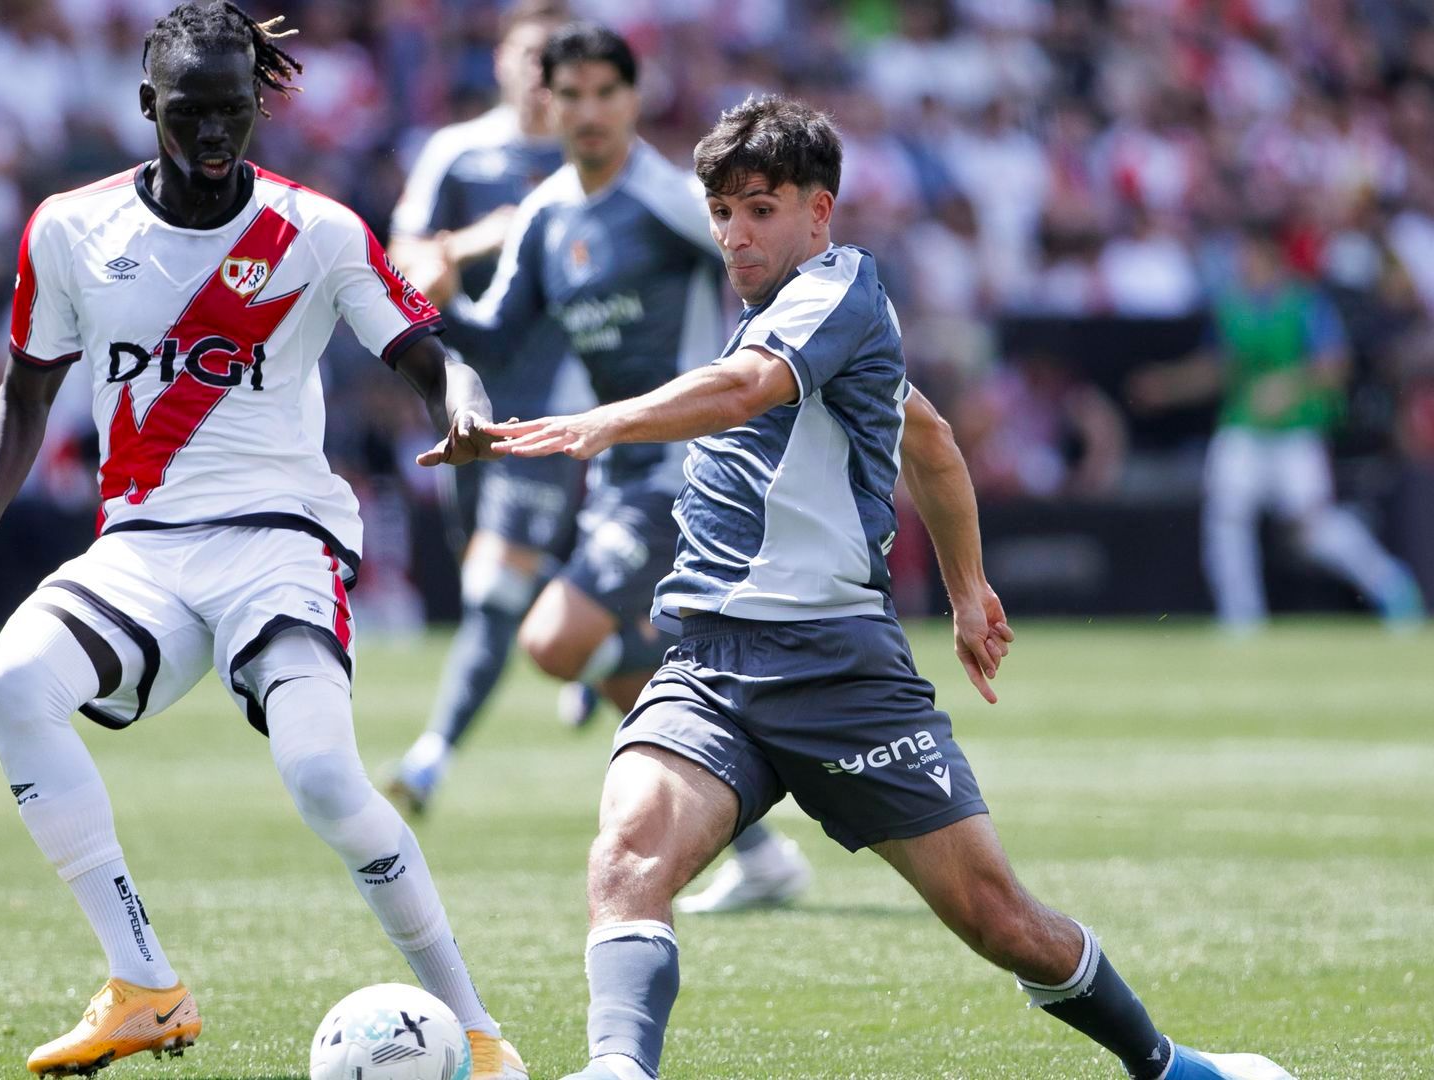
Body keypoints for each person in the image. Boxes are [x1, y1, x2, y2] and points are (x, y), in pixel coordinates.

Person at [482, 96, 1291, 1080]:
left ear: (819, 213)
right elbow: (933, 443)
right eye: (723, 211)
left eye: (761, 208)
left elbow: (746, 392)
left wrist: (605, 421)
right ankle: (618, 1067)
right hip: (710, 662)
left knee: (999, 919)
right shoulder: (783, 321)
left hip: (838, 671)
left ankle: (1170, 1067)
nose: (737, 232)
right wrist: (966, 592)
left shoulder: (842, 287)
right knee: (627, 854)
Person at [0, 5, 527, 1077]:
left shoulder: (317, 230)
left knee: (327, 783)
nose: (213, 135)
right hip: (142, 549)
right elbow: (22, 397)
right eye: (190, 112)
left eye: (233, 112)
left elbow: (432, 356)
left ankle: (475, 1032)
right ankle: (146, 985)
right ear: (147, 104)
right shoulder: (70, 227)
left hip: (277, 541)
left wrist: (462, 413)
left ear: (261, 104)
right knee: (8, 685)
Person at [407, 21, 815, 913]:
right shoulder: (549, 214)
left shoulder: (670, 198)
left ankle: (744, 731)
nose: (589, 112)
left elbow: (783, 276)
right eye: (572, 94)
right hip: (623, 476)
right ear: (544, 102)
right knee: (614, 664)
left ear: (634, 99)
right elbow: (498, 333)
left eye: (607, 93)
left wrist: (784, 393)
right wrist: (437, 302)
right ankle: (761, 845)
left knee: (556, 639)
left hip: (699, 469)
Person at [382, 0, 591, 815]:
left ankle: (430, 758)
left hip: (560, 398)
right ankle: (596, 636)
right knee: (488, 573)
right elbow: (401, 254)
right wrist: (479, 240)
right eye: (529, 57)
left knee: (494, 592)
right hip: (464, 391)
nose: (542, 77)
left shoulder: (593, 161)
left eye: (558, 61)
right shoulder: (458, 154)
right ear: (500, 60)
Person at [1130, 226, 1424, 632]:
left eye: (1247, 252)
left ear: (1268, 255)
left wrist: (1289, 385)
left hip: (1294, 431)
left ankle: (1390, 586)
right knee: (1227, 518)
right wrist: (1169, 385)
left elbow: (1335, 366)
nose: (1241, 262)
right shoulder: (1230, 305)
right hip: (1243, 428)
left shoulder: (1304, 303)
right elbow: (1219, 367)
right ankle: (1242, 620)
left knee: (1312, 529)